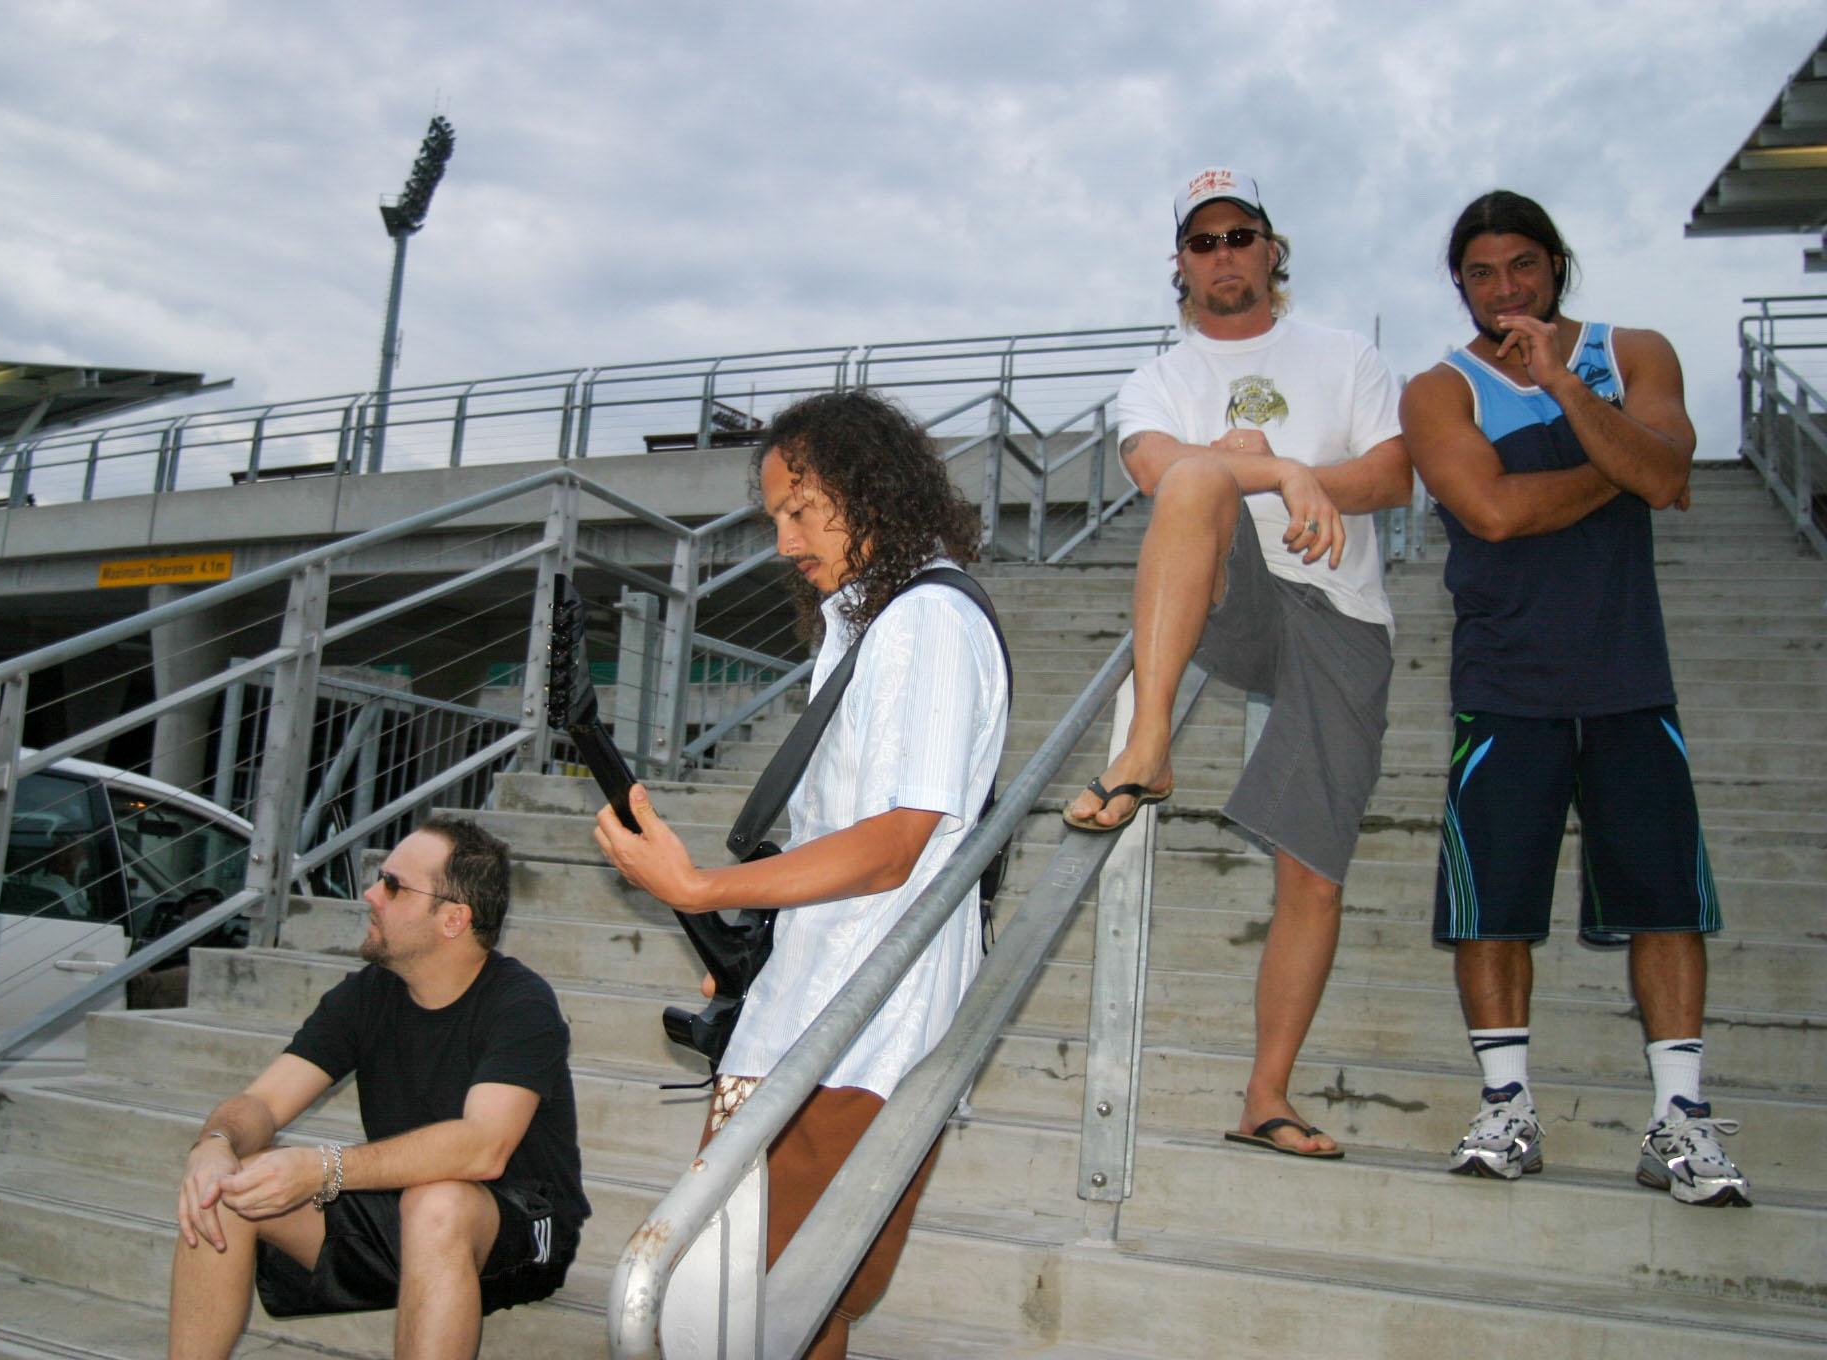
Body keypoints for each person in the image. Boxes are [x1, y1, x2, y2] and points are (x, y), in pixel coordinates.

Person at [593, 388, 1008, 1360]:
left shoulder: (924, 623)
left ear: (870, 490)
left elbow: (896, 842)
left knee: (752, 1306)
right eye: (774, 516)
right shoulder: (875, 621)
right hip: (817, 1013)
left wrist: (701, 888)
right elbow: (855, 833)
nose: (784, 542)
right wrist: (751, 943)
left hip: (857, 1032)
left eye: (801, 509)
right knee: (753, 1307)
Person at [1399, 190, 1746, 1206]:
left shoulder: (1632, 351)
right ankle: (1505, 1108)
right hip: (1504, 683)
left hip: (1629, 676)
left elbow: (1668, 471)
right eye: (1480, 272)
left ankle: (1679, 1121)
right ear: (1458, 284)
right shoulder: (1439, 390)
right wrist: (1627, 463)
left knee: (1665, 903)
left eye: (1522, 264)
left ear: (1555, 264)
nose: (1504, 288)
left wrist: (1563, 386)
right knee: (1491, 909)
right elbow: (1495, 513)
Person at [1067, 167, 1413, 1158]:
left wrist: (1302, 481)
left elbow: (1393, 472)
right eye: (1202, 241)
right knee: (1193, 482)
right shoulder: (1160, 376)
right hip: (1228, 592)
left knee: (1314, 874)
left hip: (1336, 605)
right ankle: (1148, 745)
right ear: (1179, 262)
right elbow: (1154, 468)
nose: (1222, 254)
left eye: (1239, 236)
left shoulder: (1344, 354)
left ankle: (1266, 1096)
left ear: (1271, 249)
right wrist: (1278, 471)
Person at [166, 816, 588, 1359]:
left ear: (454, 919)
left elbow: (483, 1147)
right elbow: (263, 1103)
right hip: (404, 1214)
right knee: (225, 1189)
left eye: (393, 885)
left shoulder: (520, 1004)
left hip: (517, 1229)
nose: (370, 894)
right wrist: (215, 1144)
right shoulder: (367, 995)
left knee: (437, 1202)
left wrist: (324, 1167)